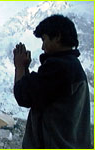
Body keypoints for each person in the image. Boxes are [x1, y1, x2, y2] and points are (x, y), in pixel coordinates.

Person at [13, 14, 91, 148]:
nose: (43, 47)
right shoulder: (71, 65)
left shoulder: (60, 68)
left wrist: (19, 67)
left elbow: (23, 96)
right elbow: (39, 94)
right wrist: (25, 68)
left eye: (44, 40)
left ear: (57, 37)